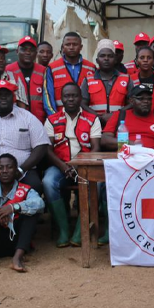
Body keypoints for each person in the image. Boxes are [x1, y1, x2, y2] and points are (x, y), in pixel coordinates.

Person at [43, 83, 102, 248]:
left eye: (74, 96)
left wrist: (80, 165)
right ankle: (63, 230)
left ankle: (79, 232)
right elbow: (47, 149)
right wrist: (63, 166)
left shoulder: (92, 119)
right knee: (48, 182)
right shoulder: (52, 120)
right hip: (60, 166)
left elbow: (96, 147)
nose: (70, 99)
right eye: (67, 96)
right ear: (61, 99)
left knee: (96, 186)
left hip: (85, 166)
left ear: (80, 98)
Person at [102, 85, 154, 151]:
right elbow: (105, 140)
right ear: (131, 101)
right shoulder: (120, 115)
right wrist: (130, 144)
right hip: (126, 159)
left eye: (149, 99)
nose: (146, 101)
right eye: (141, 99)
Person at [44, 32, 96, 116]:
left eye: (75, 44)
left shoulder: (91, 68)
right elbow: (48, 98)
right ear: (63, 47)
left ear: (81, 47)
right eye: (68, 44)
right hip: (60, 118)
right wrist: (55, 118)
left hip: (86, 119)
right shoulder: (52, 68)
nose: (71, 47)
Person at [81, 40, 131, 127]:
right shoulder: (88, 80)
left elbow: (132, 103)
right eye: (102, 56)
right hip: (94, 125)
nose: (106, 59)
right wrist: (98, 117)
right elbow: (82, 104)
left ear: (115, 59)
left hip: (119, 125)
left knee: (121, 141)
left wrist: (115, 115)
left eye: (110, 56)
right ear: (97, 60)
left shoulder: (126, 79)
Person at [7, 36, 48, 124]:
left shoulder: (43, 71)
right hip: (15, 122)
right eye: (24, 49)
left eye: (31, 50)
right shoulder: (8, 71)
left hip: (40, 122)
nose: (28, 53)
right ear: (17, 51)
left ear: (36, 53)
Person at [129, 46, 154, 112]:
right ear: (137, 61)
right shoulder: (130, 79)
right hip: (136, 118)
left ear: (153, 61)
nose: (145, 60)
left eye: (149, 58)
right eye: (142, 58)